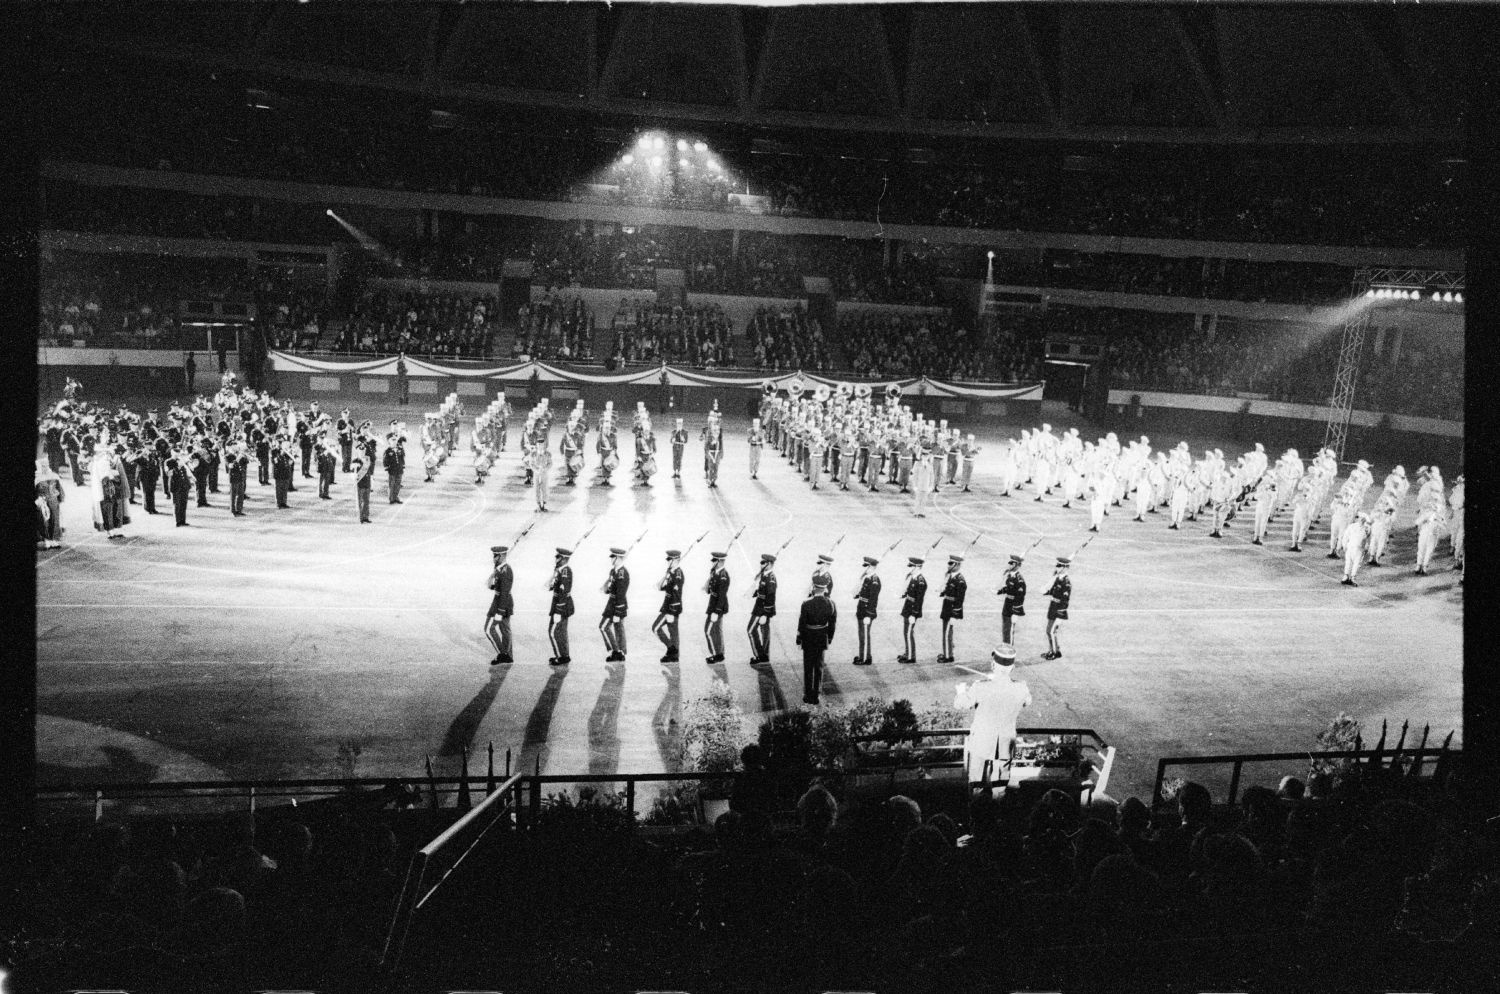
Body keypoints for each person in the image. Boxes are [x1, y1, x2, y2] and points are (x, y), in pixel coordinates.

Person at [954, 653, 1032, 791]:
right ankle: (998, 809)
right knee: (1000, 785)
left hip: (981, 740)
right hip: (1005, 742)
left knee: (976, 784)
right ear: (1012, 667)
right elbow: (1027, 701)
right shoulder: (1021, 687)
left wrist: (961, 691)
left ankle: (976, 810)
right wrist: (1002, 682)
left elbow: (961, 704)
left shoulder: (980, 687)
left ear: (992, 665)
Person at [797, 579, 838, 706]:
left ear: (814, 588)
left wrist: (799, 639)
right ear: (825, 589)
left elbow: (802, 623)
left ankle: (808, 694)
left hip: (809, 637)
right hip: (821, 638)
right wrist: (829, 638)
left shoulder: (806, 603)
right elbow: (832, 624)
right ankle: (816, 695)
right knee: (819, 668)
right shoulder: (830, 603)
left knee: (808, 667)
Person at [653, 549, 685, 663]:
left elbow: (676, 595)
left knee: (656, 628)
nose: (668, 561)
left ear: (676, 560)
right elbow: (661, 587)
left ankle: (672, 650)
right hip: (668, 607)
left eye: (670, 559)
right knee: (673, 632)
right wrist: (666, 576)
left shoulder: (678, 575)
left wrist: (672, 612)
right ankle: (674, 654)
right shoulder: (671, 573)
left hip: (672, 609)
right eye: (668, 559)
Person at [600, 547, 630, 662]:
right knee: (618, 628)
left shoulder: (623, 574)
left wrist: (617, 612)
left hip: (618, 605)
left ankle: (616, 651)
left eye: (612, 557)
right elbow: (612, 586)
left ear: (618, 558)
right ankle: (620, 652)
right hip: (612, 603)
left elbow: (621, 594)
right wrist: (606, 589)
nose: (611, 559)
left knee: (603, 626)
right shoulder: (613, 571)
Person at [485, 545, 514, 665]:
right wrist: (491, 582)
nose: (493, 558)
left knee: (489, 629)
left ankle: (503, 655)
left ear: (501, 556)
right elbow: (497, 586)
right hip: (499, 601)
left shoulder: (506, 571)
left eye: (495, 556)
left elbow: (504, 592)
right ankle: (508, 655)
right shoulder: (499, 568)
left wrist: (500, 611)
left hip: (502, 603)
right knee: (505, 629)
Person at [748, 552, 778, 664]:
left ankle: (759, 655)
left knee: (750, 630)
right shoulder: (765, 575)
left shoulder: (770, 578)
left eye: (763, 562)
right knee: (764, 631)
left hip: (762, 609)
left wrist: (765, 614)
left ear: (769, 564)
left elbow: (770, 596)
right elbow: (762, 590)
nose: (760, 564)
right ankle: (764, 655)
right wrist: (754, 593)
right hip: (759, 606)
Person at [547, 548, 575, 666]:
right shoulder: (560, 570)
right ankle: (565, 655)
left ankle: (560, 656)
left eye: (558, 557)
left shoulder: (565, 572)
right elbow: (556, 586)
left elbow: (563, 592)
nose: (556, 559)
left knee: (553, 632)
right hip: (561, 604)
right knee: (562, 632)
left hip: (562, 606)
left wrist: (558, 611)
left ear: (563, 559)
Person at [938, 553, 966, 663]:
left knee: (947, 633)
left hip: (952, 609)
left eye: (951, 563)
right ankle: (947, 652)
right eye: (948, 563)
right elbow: (949, 590)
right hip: (947, 607)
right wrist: (943, 593)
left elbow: (960, 600)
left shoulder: (960, 581)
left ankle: (948, 656)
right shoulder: (951, 577)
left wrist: (955, 615)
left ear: (957, 565)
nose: (948, 565)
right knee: (946, 632)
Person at [898, 555, 927, 664]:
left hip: (912, 611)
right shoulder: (914, 578)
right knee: (906, 632)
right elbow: (910, 593)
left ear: (917, 567)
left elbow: (919, 600)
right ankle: (908, 652)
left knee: (909, 632)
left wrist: (913, 614)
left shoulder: (920, 581)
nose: (909, 568)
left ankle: (911, 657)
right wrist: (904, 594)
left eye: (911, 566)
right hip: (907, 607)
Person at [853, 555, 880, 666]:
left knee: (864, 634)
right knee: (862, 634)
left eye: (867, 567)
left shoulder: (874, 581)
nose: (865, 569)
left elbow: (873, 599)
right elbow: (863, 593)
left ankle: (864, 658)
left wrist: (868, 615)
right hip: (861, 609)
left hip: (866, 612)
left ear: (872, 567)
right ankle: (863, 655)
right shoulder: (868, 578)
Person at [1042, 557, 1072, 660]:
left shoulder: (1066, 582)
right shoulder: (1058, 578)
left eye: (1059, 566)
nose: (1057, 567)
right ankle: (1054, 650)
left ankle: (1054, 653)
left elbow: (1065, 601)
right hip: (1053, 608)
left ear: (1065, 567)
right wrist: (1045, 591)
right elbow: (1053, 592)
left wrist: (1060, 615)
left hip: (1059, 611)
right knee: (1048, 631)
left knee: (1051, 631)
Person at [704, 550, 730, 664]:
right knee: (717, 630)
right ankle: (720, 654)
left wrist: (716, 611)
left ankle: (715, 654)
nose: (712, 562)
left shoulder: (723, 576)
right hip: (713, 604)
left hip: (717, 607)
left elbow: (722, 595)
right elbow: (710, 590)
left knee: (708, 631)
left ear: (719, 561)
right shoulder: (715, 573)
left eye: (714, 560)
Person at [998, 553, 1027, 648]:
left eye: (1011, 563)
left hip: (1013, 608)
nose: (1009, 564)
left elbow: (1020, 597)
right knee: (1005, 628)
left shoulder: (1020, 580)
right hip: (1007, 605)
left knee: (1010, 630)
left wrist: (1016, 611)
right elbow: (1008, 588)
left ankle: (1009, 650)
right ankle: (1004, 647)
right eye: (1009, 562)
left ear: (1016, 565)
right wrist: (1000, 591)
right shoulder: (1010, 576)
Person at [227, 441, 248, 516]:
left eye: (236, 445)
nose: (236, 447)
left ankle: (239, 510)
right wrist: (237, 459)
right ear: (230, 447)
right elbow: (230, 466)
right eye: (234, 445)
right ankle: (233, 511)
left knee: (241, 494)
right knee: (233, 495)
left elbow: (246, 462)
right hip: (233, 477)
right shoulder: (228, 456)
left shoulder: (240, 454)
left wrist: (244, 457)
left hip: (240, 476)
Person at [272, 440, 295, 509]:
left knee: (285, 489)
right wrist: (281, 454)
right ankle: (279, 503)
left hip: (286, 473)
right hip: (279, 473)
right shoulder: (276, 451)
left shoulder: (287, 454)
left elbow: (290, 461)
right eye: (286, 446)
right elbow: (275, 461)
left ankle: (284, 502)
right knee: (279, 489)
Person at [533, 441, 553, 512]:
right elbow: (531, 463)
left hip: (544, 473)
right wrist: (536, 470)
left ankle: (544, 504)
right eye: (538, 444)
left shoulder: (547, 454)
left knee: (544, 488)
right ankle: (538, 504)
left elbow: (550, 463)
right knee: (536, 488)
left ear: (544, 445)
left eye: (541, 445)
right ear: (536, 445)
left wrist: (545, 469)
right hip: (536, 473)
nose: (540, 446)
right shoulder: (533, 454)